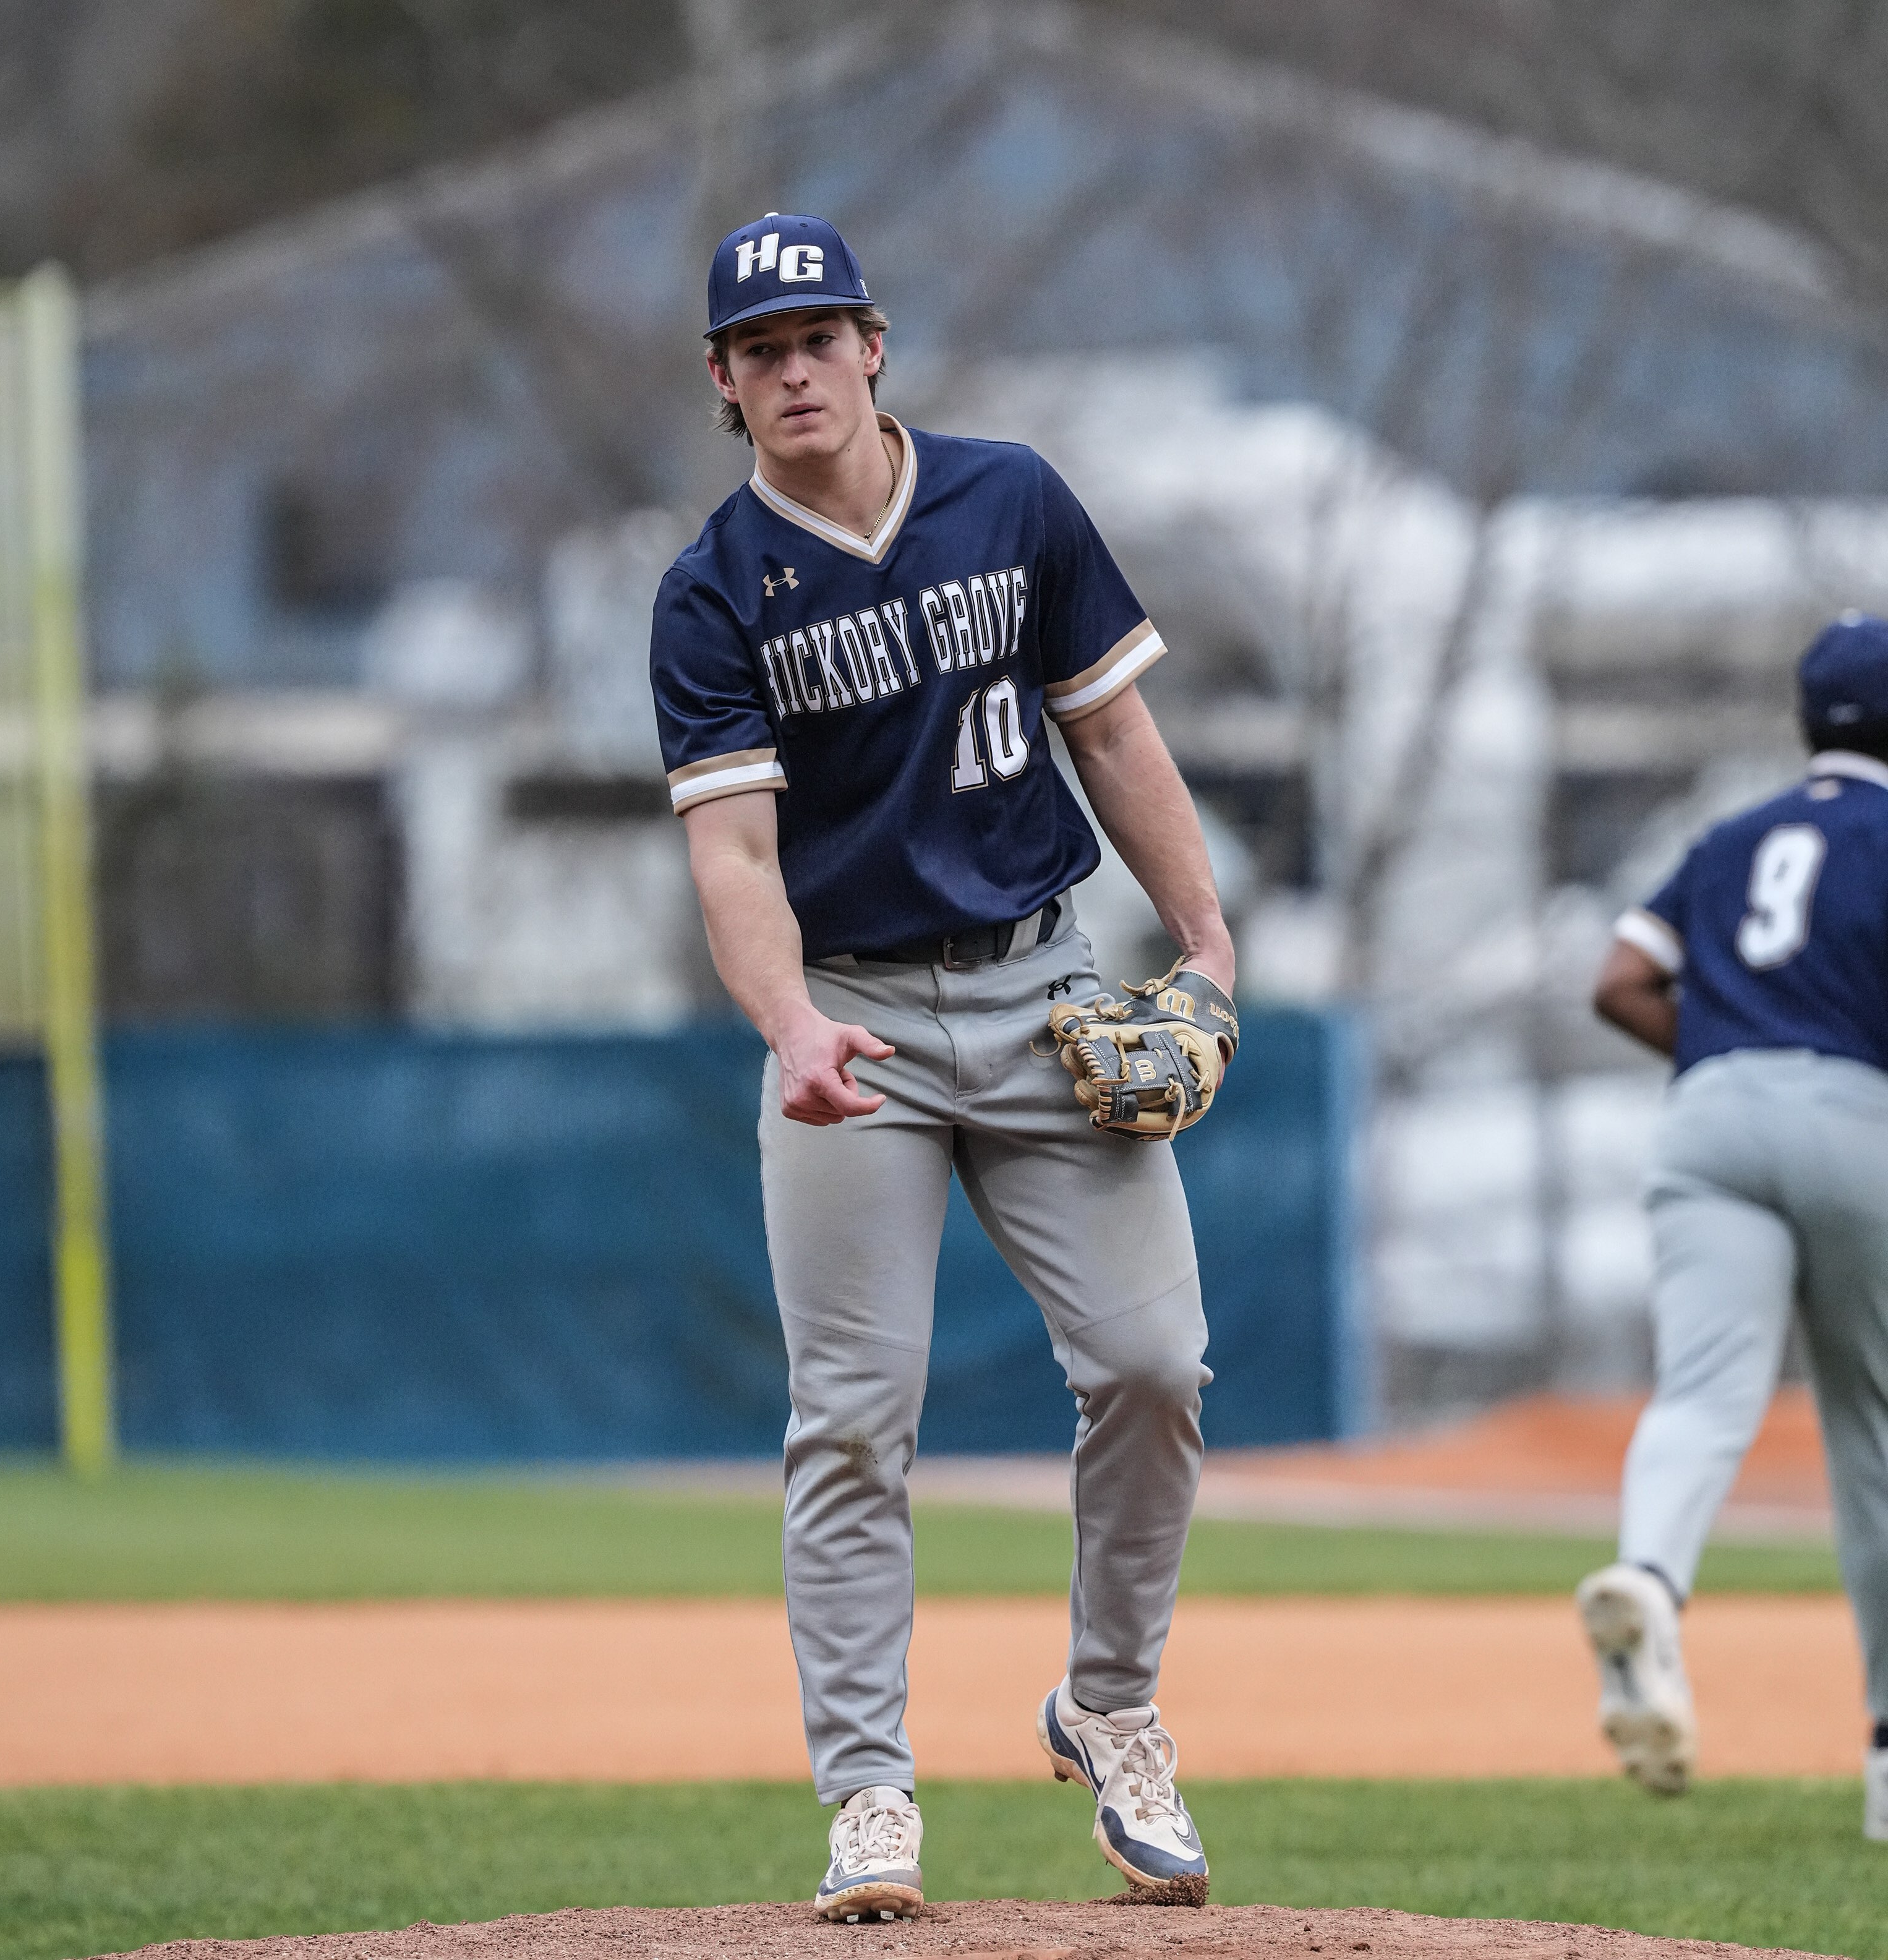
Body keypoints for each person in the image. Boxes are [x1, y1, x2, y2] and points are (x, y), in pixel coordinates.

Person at [648, 213, 1236, 1919]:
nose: (796, 369)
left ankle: (1110, 1706)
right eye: (762, 350)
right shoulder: (711, 591)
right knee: (853, 1420)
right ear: (723, 382)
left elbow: (1113, 729)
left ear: (876, 345)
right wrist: (791, 1027)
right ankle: (869, 1794)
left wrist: (1201, 942)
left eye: (821, 336)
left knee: (1153, 1363)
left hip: (1046, 985)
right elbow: (735, 859)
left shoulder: (1013, 499)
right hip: (855, 1019)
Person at [1578, 612, 1888, 1837]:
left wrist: (1721, 1056)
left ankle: (1649, 1577)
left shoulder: (1734, 835)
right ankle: (1883, 1758)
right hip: (1856, 1112)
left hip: (1710, 1114)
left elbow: (1617, 978)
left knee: (1704, 1396)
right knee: (1873, 1435)